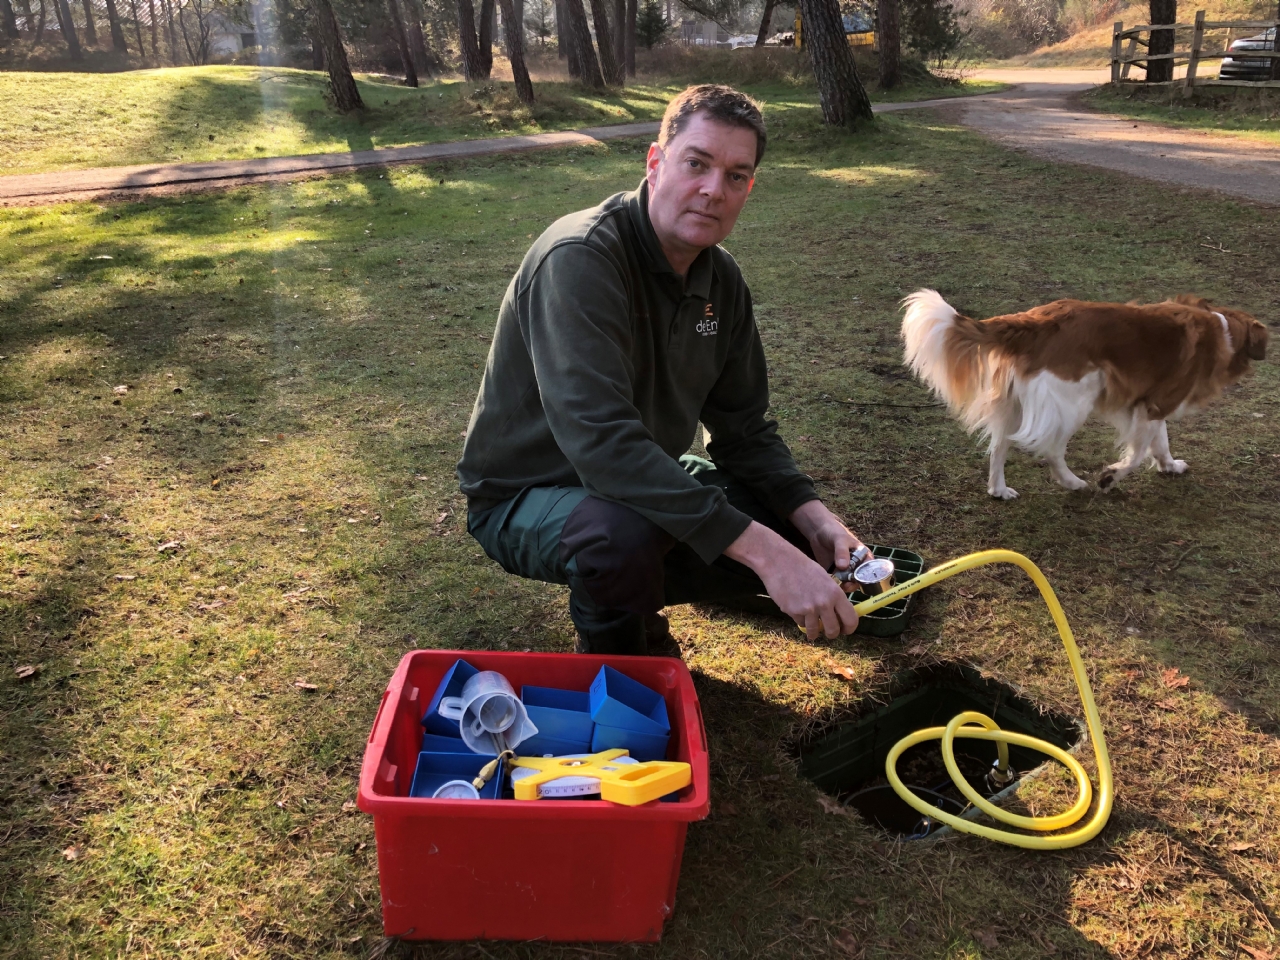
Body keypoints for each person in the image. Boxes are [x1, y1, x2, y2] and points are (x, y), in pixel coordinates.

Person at [457, 84, 868, 655]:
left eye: (735, 176)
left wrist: (813, 517)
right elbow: (602, 445)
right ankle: (630, 664)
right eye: (696, 163)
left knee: (780, 524)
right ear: (655, 162)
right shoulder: (579, 258)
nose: (711, 191)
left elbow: (744, 430)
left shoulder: (721, 280)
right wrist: (769, 555)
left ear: (749, 188)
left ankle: (654, 584)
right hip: (527, 493)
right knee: (620, 538)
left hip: (639, 480)